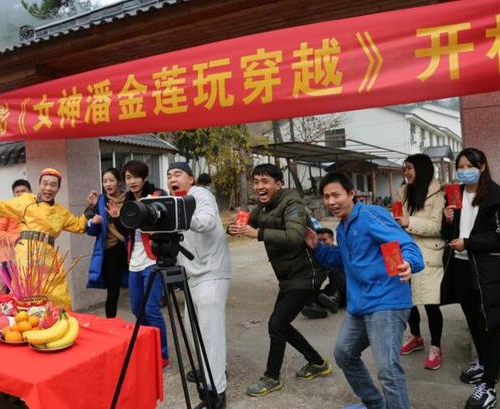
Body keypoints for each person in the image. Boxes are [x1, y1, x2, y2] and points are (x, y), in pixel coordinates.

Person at [307, 172, 424, 409]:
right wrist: (317, 247)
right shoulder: (343, 227)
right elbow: (344, 259)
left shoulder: (371, 215)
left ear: (352, 194)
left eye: (336, 195)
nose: (331, 202)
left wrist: (409, 263)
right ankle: (374, 404)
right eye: (326, 197)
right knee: (344, 353)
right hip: (359, 304)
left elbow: (405, 244)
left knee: (388, 369)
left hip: (386, 302)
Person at [227, 163, 331, 398]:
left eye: (264, 181)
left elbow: (295, 236)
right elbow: (249, 224)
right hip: (288, 276)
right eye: (255, 182)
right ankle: (317, 362)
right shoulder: (263, 207)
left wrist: (258, 234)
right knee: (280, 324)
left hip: (306, 274)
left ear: (278, 184)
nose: (259, 186)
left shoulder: (292, 203)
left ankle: (271, 378)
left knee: (276, 324)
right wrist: (233, 228)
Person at [441, 148, 500, 409]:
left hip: (487, 273)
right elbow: (448, 235)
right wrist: (447, 219)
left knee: (489, 327)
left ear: (482, 167)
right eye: (459, 166)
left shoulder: (497, 197)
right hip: (461, 270)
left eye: (469, 166)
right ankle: (483, 365)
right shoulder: (455, 195)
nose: (463, 170)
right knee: (473, 321)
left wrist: (469, 243)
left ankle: (489, 386)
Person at [0, 168, 97, 308]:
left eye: (53, 185)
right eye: (45, 183)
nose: (48, 188)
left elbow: (79, 225)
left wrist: (91, 207)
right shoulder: (25, 200)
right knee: (26, 295)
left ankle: (57, 323)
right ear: (39, 185)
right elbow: (0, 207)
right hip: (26, 256)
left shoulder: (61, 212)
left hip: (49, 258)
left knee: (56, 294)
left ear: (58, 188)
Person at [167, 162, 231, 409]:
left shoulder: (200, 195)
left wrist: (178, 214)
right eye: (169, 175)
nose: (173, 178)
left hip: (212, 273)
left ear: (191, 179)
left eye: (178, 174)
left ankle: (217, 392)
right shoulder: (174, 201)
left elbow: (205, 222)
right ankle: (215, 368)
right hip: (192, 275)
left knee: (209, 334)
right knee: (194, 331)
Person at [395, 154, 446, 370]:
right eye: (404, 168)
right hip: (405, 251)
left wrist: (409, 222)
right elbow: (397, 218)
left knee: (431, 303)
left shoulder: (438, 193)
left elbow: (437, 227)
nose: (406, 173)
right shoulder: (403, 192)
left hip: (429, 255)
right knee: (409, 301)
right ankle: (415, 336)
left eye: (409, 168)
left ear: (422, 169)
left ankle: (436, 346)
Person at [122, 160, 170, 369]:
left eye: (136, 177)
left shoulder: (157, 196)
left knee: (151, 309)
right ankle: (147, 347)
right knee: (136, 308)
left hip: (153, 260)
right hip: (134, 261)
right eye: (128, 178)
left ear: (145, 177)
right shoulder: (126, 201)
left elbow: (168, 223)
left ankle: (162, 355)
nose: (132, 181)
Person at [85, 168, 128, 318]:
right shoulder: (101, 201)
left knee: (136, 289)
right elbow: (91, 231)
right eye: (105, 181)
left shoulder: (128, 199)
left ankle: (142, 326)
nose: (108, 184)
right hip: (109, 251)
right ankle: (111, 323)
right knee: (113, 290)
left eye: (111, 180)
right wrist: (92, 208)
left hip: (127, 248)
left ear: (119, 182)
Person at [0, 179, 31, 289]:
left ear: (30, 192)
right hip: (9, 258)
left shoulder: (34, 210)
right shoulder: (7, 209)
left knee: (28, 293)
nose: (20, 194)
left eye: (24, 191)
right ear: (13, 194)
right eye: (17, 192)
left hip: (28, 257)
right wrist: (16, 239)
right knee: (11, 293)